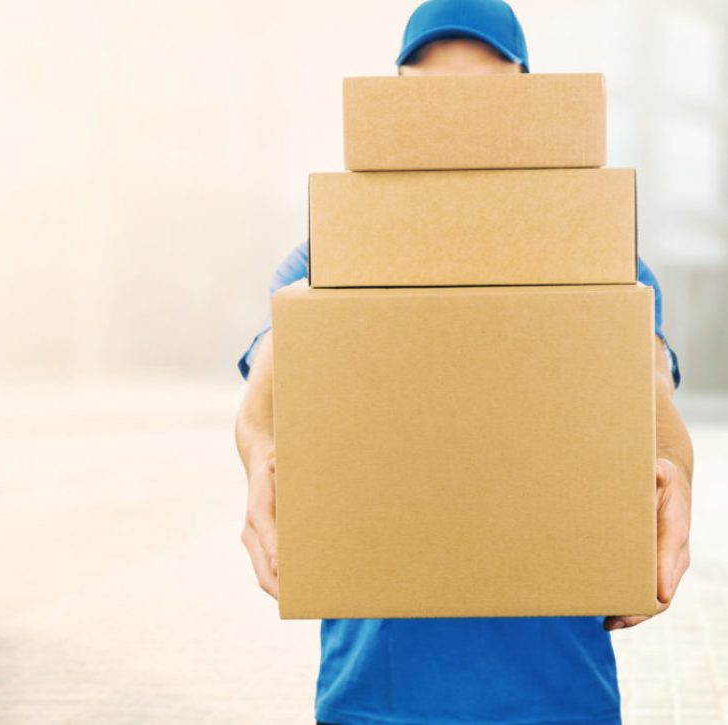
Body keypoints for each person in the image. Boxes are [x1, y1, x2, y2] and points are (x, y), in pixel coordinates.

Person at [233, 1, 696, 723]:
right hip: (376, 698)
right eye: (431, 93)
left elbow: (650, 386)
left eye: (482, 92)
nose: (456, 116)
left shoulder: (601, 256)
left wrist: (679, 479)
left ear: (526, 103)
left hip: (559, 693)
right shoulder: (328, 254)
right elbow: (272, 368)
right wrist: (259, 450)